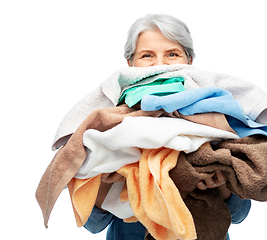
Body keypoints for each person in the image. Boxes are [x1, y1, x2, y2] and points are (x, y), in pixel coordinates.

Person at [83, 14, 251, 240]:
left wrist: (220, 184)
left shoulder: (217, 118)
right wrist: (105, 180)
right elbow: (93, 225)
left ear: (189, 61)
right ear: (130, 64)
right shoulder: (107, 125)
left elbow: (238, 215)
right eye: (147, 55)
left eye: (172, 54)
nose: (160, 64)